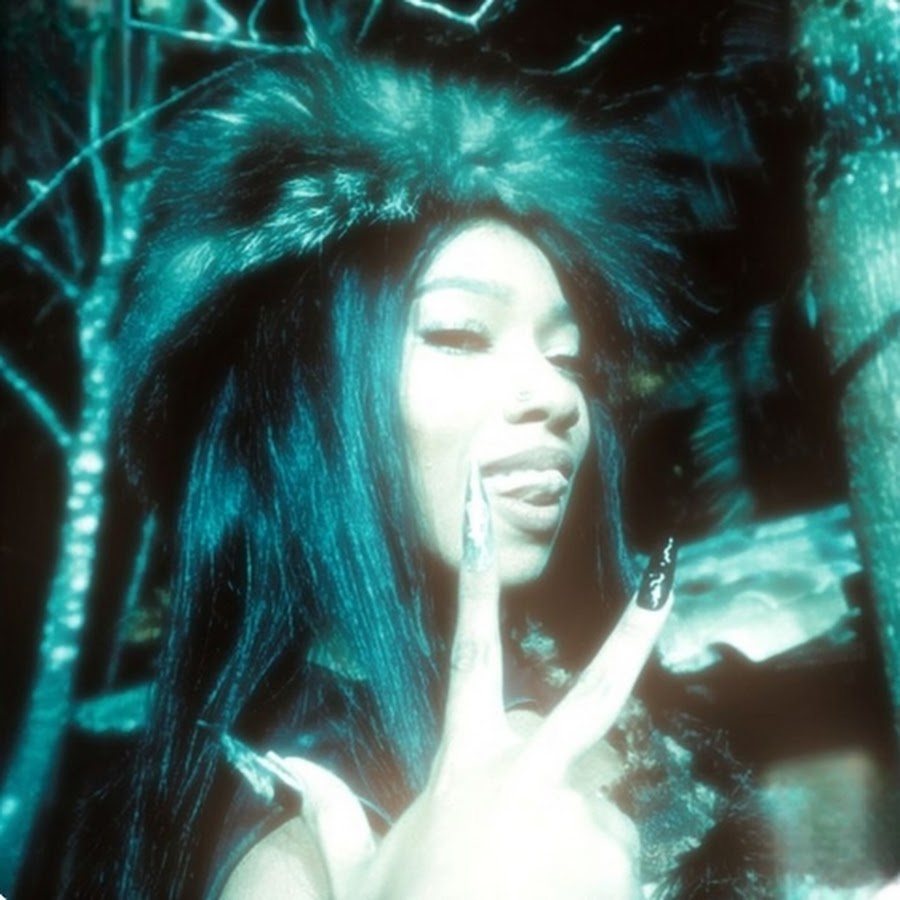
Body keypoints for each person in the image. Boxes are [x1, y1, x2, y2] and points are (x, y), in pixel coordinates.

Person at [106, 51, 755, 898]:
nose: (558, 395)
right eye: (459, 334)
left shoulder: (560, 665)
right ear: (301, 403)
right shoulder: (295, 849)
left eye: (567, 355)